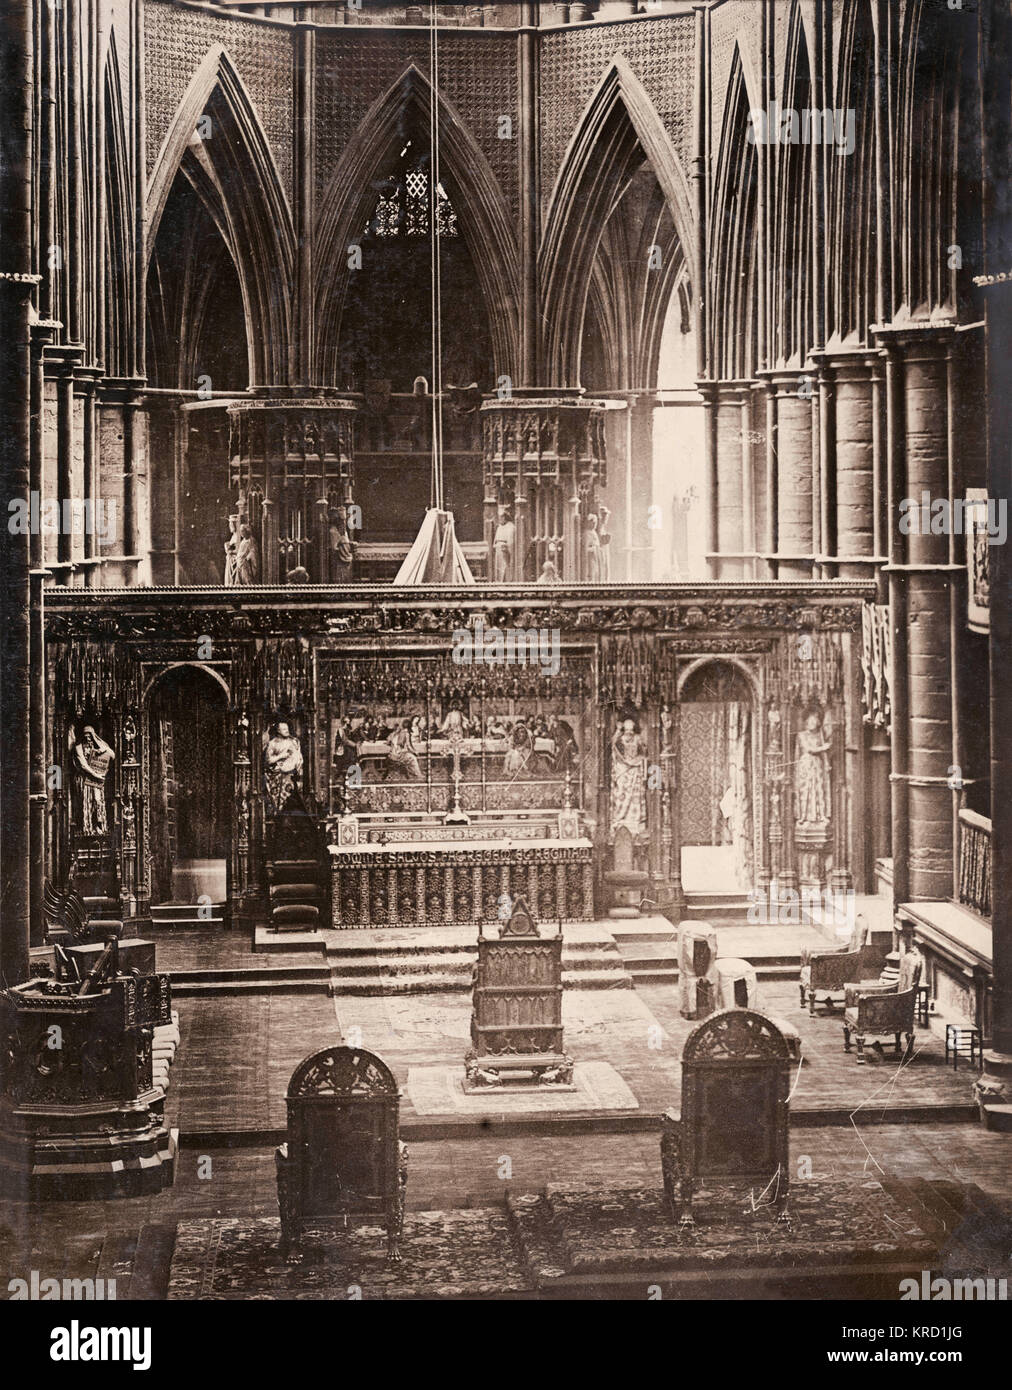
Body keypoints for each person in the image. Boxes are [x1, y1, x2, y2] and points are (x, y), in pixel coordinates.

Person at [72, 726, 115, 834]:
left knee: (98, 801)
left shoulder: (97, 747)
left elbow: (112, 755)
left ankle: (98, 826)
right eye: (85, 737)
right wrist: (96, 775)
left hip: (97, 780)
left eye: (90, 737)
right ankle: (87, 828)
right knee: (86, 802)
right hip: (85, 778)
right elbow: (83, 765)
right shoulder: (78, 748)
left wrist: (102, 749)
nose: (88, 740)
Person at [611, 718, 647, 839]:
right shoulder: (620, 739)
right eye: (627, 730)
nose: (629, 732)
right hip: (623, 769)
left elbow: (643, 753)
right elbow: (614, 749)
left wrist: (636, 761)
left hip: (635, 769)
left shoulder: (638, 738)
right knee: (621, 792)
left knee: (635, 796)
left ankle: (635, 820)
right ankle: (619, 819)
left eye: (631, 729)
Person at [795, 711, 832, 825]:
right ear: (806, 722)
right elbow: (809, 749)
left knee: (818, 788)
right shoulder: (801, 735)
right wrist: (823, 747)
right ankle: (804, 816)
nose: (812, 723)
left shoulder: (819, 735)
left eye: (814, 721)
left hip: (817, 764)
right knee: (806, 789)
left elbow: (823, 755)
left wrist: (826, 763)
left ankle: (821, 815)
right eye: (810, 721)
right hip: (806, 764)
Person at [263, 721, 303, 812]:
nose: (287, 731)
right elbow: (268, 760)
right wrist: (281, 756)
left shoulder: (294, 741)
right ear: (278, 730)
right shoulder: (273, 743)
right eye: (284, 729)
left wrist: (297, 764)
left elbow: (298, 757)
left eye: (287, 729)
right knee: (278, 803)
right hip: (278, 777)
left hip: (291, 776)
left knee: (291, 800)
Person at [492, 504, 515, 582]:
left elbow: (511, 542)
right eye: (499, 517)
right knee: (497, 569)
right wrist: (495, 546)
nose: (500, 519)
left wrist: (506, 547)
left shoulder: (511, 526)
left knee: (505, 568)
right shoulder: (499, 527)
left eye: (502, 517)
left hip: (505, 551)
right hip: (498, 551)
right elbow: (495, 540)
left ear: (505, 517)